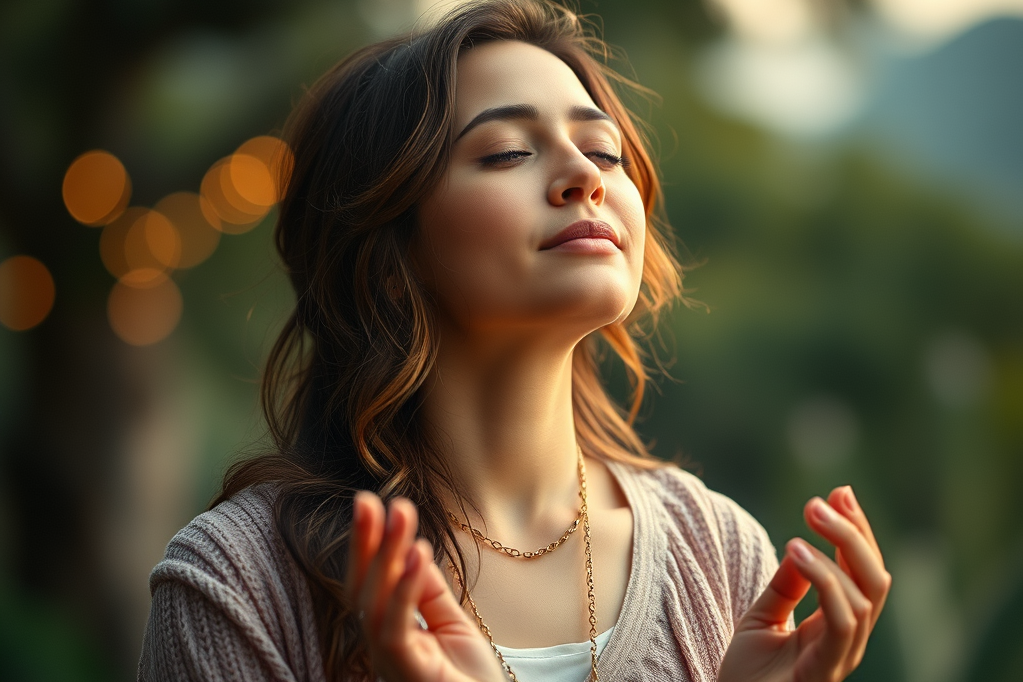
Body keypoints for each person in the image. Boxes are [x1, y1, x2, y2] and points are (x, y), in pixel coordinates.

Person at [138, 1, 891, 681]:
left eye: (603, 151)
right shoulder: (240, 584)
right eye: (506, 153)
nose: (582, 177)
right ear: (388, 252)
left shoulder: (720, 557)